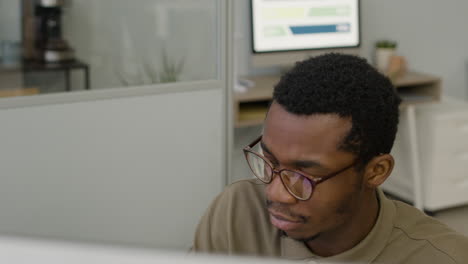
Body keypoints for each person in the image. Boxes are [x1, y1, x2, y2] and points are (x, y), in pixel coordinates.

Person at [192, 53, 468, 263]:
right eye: (270, 162)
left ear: (376, 171)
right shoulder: (235, 212)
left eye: (305, 174)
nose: (276, 193)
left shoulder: (441, 257)